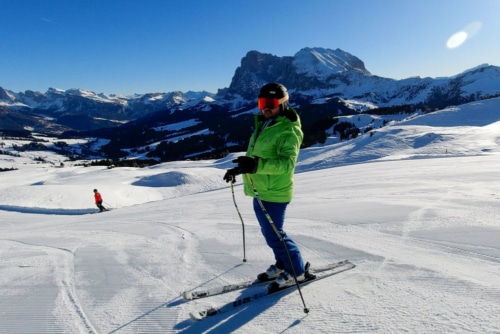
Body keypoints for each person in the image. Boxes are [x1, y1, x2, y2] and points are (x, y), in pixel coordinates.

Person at [223, 82, 307, 288]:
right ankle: (282, 263)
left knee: (276, 235)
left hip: (275, 192)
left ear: (283, 103)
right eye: (262, 102)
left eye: (270, 103)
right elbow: (256, 158)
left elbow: (287, 165)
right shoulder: (266, 123)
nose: (265, 108)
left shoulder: (288, 130)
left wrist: (256, 165)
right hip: (260, 189)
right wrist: (242, 168)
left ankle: (297, 271)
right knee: (270, 233)